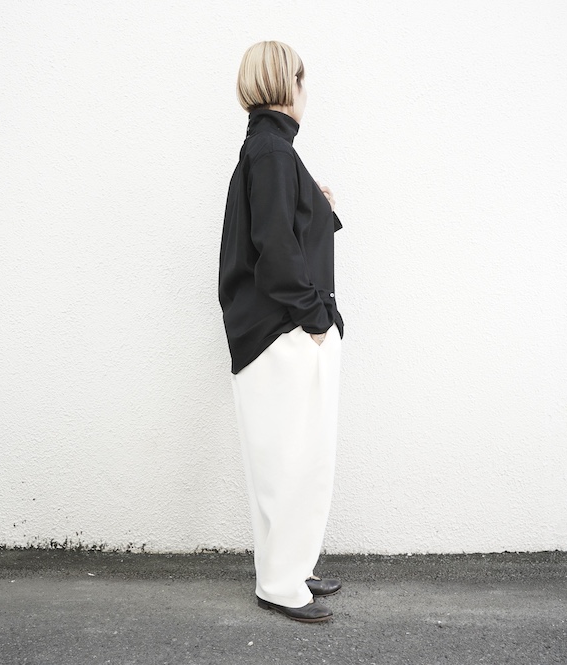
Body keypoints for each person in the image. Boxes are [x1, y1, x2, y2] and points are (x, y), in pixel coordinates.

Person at [219, 41, 345, 623]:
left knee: (290, 463)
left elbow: (282, 231)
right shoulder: (272, 152)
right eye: (301, 78)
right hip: (285, 331)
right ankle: (280, 583)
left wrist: (317, 206)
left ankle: (289, 568)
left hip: (277, 329)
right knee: (294, 464)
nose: (305, 91)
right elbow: (273, 249)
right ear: (285, 83)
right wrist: (314, 320)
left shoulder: (268, 150)